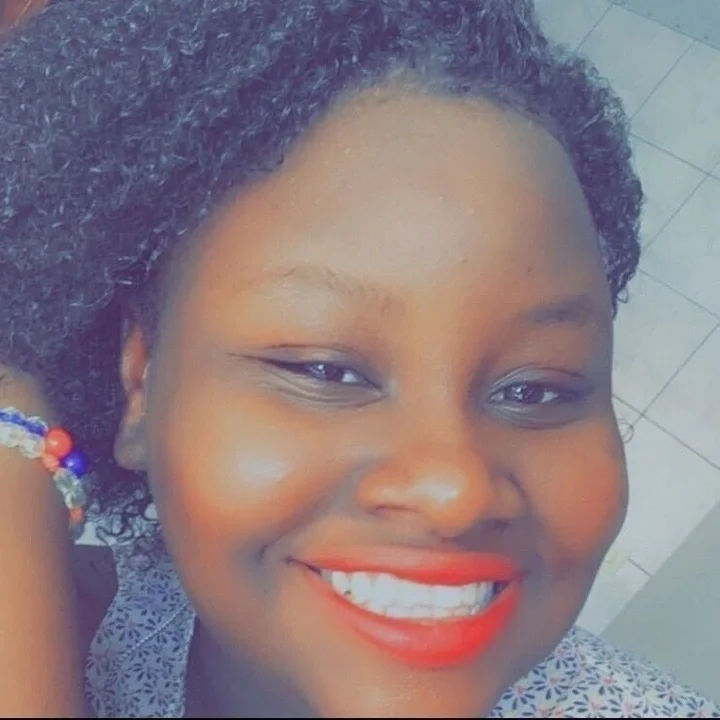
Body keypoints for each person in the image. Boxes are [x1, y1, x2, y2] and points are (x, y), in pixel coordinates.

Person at [0, 0, 716, 717]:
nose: (455, 490)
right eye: (325, 371)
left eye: (536, 388)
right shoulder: (87, 616)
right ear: (141, 380)